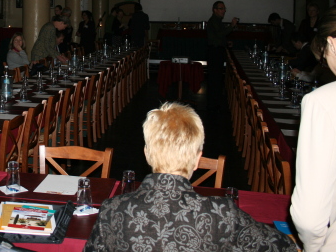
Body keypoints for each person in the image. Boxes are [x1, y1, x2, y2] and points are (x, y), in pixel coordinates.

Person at [85, 102, 296, 252]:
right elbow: (284, 247)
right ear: (197, 160)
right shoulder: (222, 215)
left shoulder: (112, 210)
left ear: (147, 154)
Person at [290, 2, 336, 252]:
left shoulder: (324, 101)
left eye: (324, 56)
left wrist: (316, 246)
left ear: (334, 44)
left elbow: (310, 215)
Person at [206, 1, 238, 112]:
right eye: (221, 8)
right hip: (214, 52)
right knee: (214, 78)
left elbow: (218, 37)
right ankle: (213, 104)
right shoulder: (214, 21)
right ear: (215, 10)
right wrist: (231, 26)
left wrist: (226, 42)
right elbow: (219, 35)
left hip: (216, 51)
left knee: (216, 78)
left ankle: (214, 103)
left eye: (224, 9)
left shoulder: (217, 21)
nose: (224, 11)